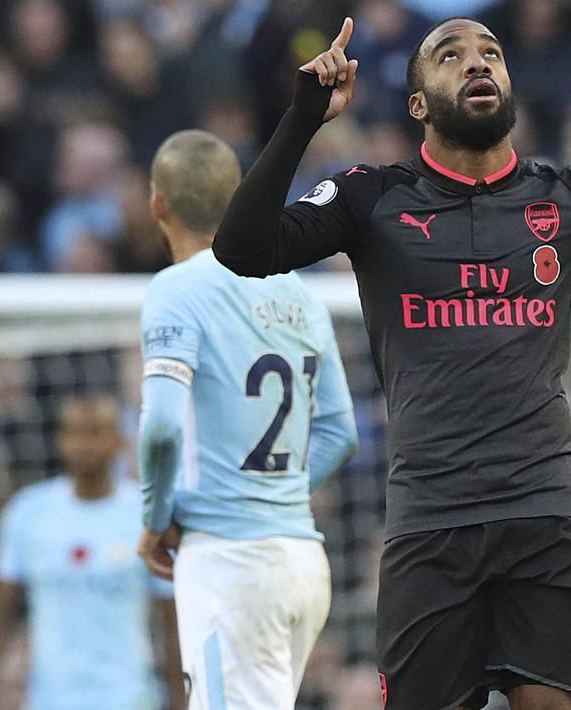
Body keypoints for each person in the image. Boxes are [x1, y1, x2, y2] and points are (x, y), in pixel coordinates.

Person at [211, 14, 571, 710]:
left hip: (545, 513)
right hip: (430, 520)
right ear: (417, 103)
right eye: (450, 55)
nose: (476, 62)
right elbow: (243, 249)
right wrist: (302, 119)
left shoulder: (568, 194)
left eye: (491, 52)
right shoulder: (373, 197)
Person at [135, 129, 358, 709]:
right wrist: (271, 495)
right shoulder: (300, 294)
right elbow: (340, 432)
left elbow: (161, 425)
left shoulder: (177, 289)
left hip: (232, 562)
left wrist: (156, 517)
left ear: (157, 204)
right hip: (301, 561)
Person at [0, 396, 184, 710]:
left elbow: (171, 621)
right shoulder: (28, 511)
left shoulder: (145, 514)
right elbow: (0, 616)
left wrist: (180, 701)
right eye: (75, 434)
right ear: (60, 441)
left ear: (119, 441)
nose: (85, 446)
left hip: (127, 697)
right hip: (49, 700)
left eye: (96, 433)